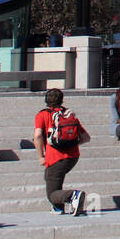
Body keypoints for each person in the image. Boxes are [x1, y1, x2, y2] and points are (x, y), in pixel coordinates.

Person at [33, 88, 90, 216]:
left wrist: (40, 156)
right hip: (73, 156)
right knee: (54, 181)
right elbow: (86, 137)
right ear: (62, 100)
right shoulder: (68, 114)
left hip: (55, 157)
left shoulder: (42, 115)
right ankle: (58, 208)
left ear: (46, 100)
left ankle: (73, 195)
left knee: (52, 194)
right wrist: (72, 145)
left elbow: (37, 136)